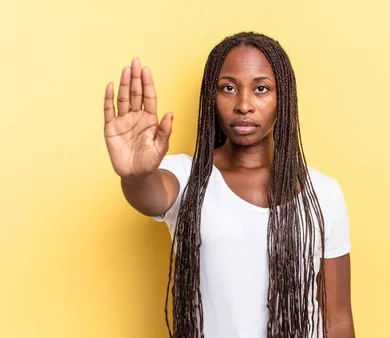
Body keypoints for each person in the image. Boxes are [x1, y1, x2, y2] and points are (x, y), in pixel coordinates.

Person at [103, 32, 355, 338]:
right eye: (228, 88)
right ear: (213, 96)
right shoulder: (188, 176)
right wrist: (137, 175)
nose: (244, 105)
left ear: (283, 98)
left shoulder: (323, 192)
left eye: (261, 88)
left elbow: (337, 319)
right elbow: (152, 195)